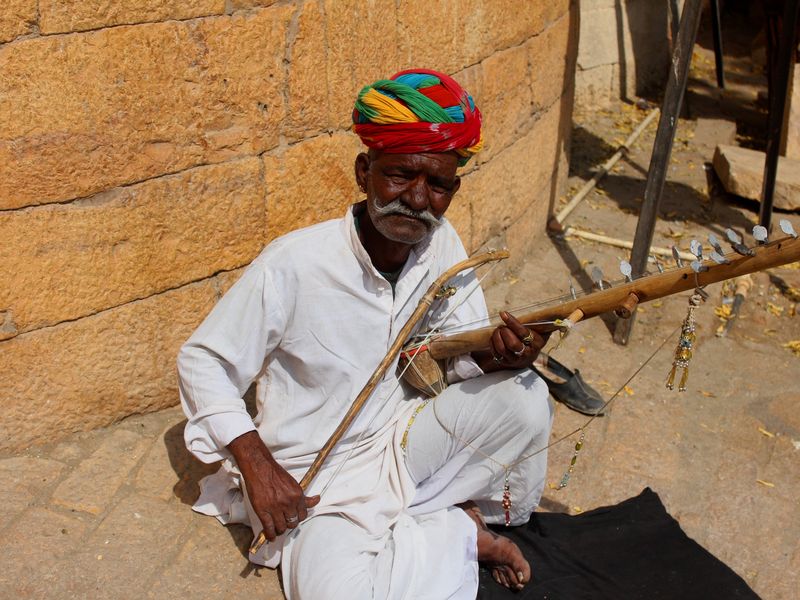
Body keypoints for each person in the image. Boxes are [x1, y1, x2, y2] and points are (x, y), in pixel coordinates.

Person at [178, 69, 554, 600]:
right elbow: (203, 361)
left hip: (403, 443)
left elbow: (455, 359)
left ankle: (440, 516)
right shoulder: (296, 262)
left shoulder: (443, 247)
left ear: (453, 189)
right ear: (364, 172)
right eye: (400, 175)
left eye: (438, 185)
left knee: (527, 398)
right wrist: (257, 464)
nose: (418, 200)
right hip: (321, 478)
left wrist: (499, 359)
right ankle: (454, 530)